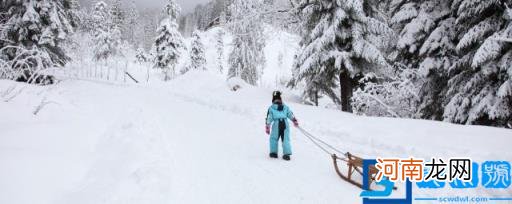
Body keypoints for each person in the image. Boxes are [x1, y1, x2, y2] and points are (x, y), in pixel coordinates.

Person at [265, 91, 299, 161]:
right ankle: (286, 154)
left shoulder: (271, 108)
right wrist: (294, 120)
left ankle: (273, 153)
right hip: (285, 124)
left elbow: (269, 117)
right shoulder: (285, 107)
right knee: (285, 139)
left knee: (273, 138)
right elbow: (290, 114)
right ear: (281, 99)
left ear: (273, 100)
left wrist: (268, 125)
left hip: (276, 124)